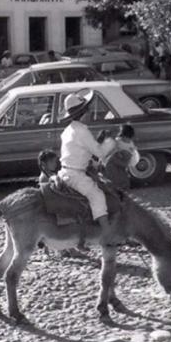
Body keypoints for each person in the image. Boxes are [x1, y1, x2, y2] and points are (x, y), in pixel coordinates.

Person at [58, 90, 118, 245]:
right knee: (97, 195)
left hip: (65, 171)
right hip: (75, 175)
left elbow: (81, 151)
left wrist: (99, 141)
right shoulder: (82, 131)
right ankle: (107, 233)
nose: (90, 112)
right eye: (87, 109)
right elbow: (99, 152)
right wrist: (111, 142)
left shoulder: (69, 130)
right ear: (82, 112)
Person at [103, 123, 140, 190]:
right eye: (126, 138)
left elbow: (132, 152)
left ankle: (121, 191)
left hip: (121, 163)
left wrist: (133, 151)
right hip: (115, 163)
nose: (127, 140)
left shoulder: (129, 143)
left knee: (121, 179)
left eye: (129, 138)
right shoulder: (118, 141)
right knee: (116, 179)